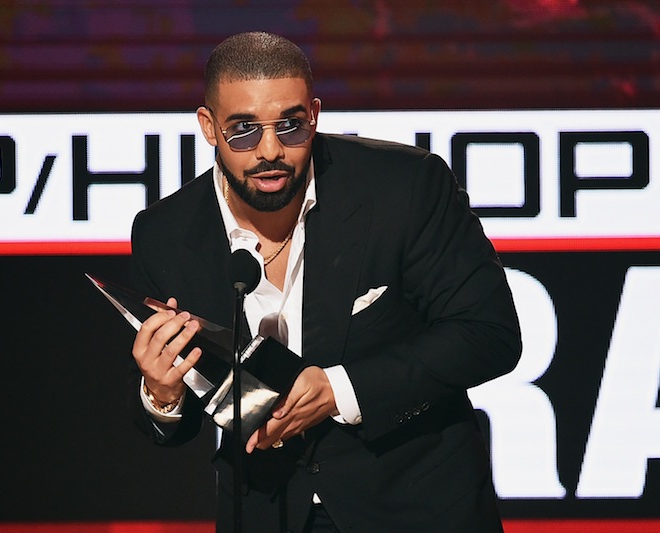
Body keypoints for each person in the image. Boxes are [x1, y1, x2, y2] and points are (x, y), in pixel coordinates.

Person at [126, 31, 521, 532]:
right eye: (244, 130)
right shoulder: (165, 233)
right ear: (208, 126)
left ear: (314, 114)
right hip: (266, 511)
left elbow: (487, 333)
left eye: (290, 126)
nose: (270, 151)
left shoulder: (404, 187)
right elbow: (171, 424)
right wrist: (162, 394)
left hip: (412, 506)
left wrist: (340, 390)